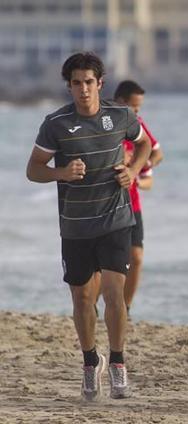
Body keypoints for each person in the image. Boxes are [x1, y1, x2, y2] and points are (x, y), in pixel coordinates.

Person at [26, 52, 151, 401]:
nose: (83, 89)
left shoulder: (121, 115)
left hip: (116, 220)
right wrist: (61, 173)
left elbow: (143, 144)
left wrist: (133, 170)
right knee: (82, 298)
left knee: (113, 293)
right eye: (77, 83)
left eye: (89, 82)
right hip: (76, 226)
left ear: (100, 84)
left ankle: (118, 362)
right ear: (69, 86)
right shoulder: (56, 124)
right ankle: (88, 361)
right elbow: (33, 168)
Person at [113, 80, 164, 317]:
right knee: (104, 264)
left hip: (132, 204)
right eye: (135, 108)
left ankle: (126, 308)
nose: (137, 113)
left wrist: (141, 166)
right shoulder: (105, 122)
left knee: (137, 257)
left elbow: (157, 152)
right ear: (121, 102)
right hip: (107, 203)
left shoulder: (137, 124)